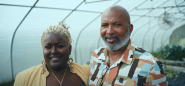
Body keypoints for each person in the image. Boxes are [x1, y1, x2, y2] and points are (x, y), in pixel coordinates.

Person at [88, 5, 166, 86]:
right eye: (104, 25)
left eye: (117, 24)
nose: (109, 31)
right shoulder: (96, 56)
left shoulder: (151, 66)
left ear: (130, 29)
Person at [14, 22, 90, 86]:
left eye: (60, 46)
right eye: (48, 47)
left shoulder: (86, 72)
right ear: (43, 50)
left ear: (69, 49)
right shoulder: (24, 79)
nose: (53, 51)